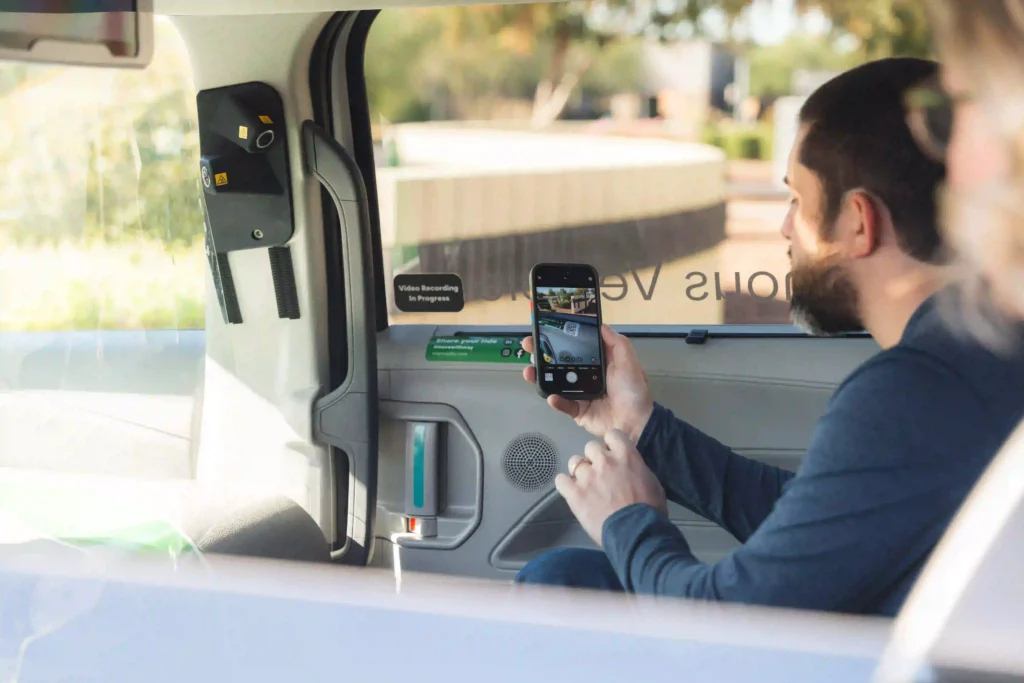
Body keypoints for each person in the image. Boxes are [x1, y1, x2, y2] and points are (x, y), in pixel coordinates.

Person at [513, 57, 1024, 617]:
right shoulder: (977, 354)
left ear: (859, 221)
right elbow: (817, 519)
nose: (784, 228)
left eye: (797, 200)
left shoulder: (916, 390)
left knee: (554, 582)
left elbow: (725, 617)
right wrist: (637, 426)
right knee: (562, 575)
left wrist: (626, 520)